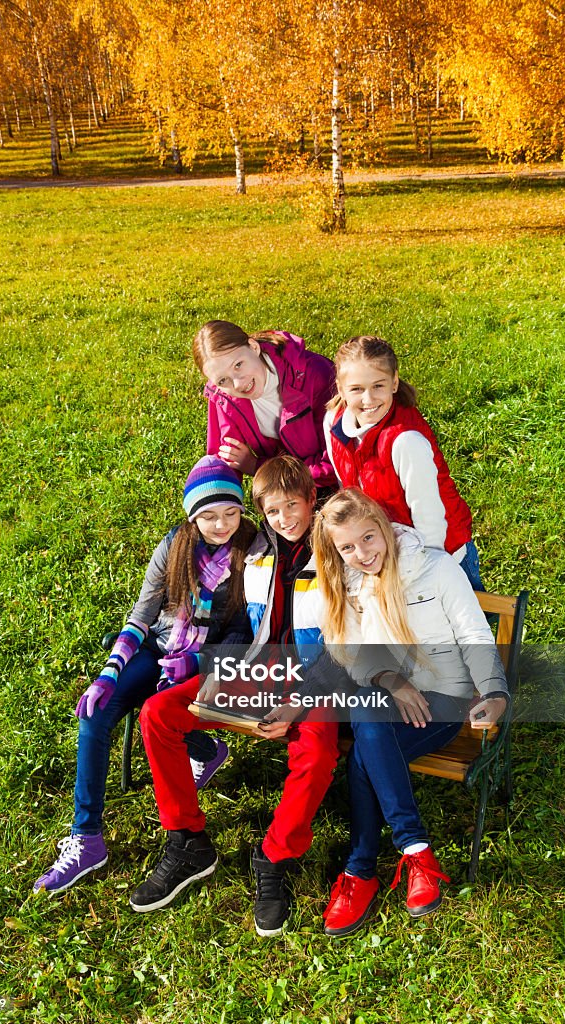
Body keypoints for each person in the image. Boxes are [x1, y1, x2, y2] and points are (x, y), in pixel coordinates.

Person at [129, 455, 339, 936]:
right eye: (272, 511)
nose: (284, 519)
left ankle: (274, 857)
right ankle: (187, 840)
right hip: (260, 665)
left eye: (293, 506)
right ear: (260, 514)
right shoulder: (259, 549)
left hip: (320, 675)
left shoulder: (336, 552)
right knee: (160, 712)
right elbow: (249, 622)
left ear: (312, 501)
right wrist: (221, 669)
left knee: (319, 745)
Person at [33, 457, 257, 895]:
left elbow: (242, 632)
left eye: (231, 512)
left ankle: (203, 748)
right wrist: (108, 673)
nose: (222, 525)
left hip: (207, 658)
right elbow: (142, 615)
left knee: (166, 702)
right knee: (94, 715)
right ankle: (87, 837)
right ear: (192, 517)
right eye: (209, 515)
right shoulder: (175, 545)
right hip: (159, 646)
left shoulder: (249, 552)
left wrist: (194, 663)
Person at [311, 488, 508, 937]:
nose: (361, 553)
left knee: (365, 748)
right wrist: (389, 679)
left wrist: (494, 690)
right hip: (388, 702)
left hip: (444, 701)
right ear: (335, 550)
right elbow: (351, 653)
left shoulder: (434, 568)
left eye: (368, 538)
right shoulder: (349, 582)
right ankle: (416, 852)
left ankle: (361, 869)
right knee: (366, 719)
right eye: (347, 547)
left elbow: (474, 633)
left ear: (384, 527)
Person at [324, 335, 483, 589]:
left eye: (378, 386)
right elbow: (348, 490)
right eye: (356, 389)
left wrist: (428, 580)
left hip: (440, 551)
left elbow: (430, 521)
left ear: (394, 382)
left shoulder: (406, 441)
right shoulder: (332, 423)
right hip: (386, 550)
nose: (368, 399)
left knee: (461, 625)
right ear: (341, 389)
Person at [193, 319, 337, 493]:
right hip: (280, 493)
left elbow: (334, 464)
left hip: (336, 487)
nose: (237, 384)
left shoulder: (315, 375)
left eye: (238, 365)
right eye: (223, 380)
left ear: (253, 347)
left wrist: (258, 467)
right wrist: (217, 511)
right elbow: (222, 465)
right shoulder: (224, 396)